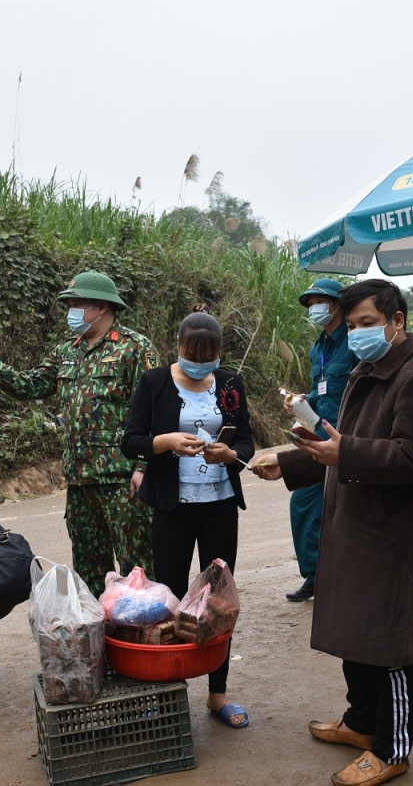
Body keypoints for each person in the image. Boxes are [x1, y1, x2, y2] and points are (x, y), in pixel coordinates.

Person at [252, 279, 413, 785]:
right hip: (352, 525)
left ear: (397, 321)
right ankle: (363, 724)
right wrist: (293, 464)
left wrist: (343, 453)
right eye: (354, 325)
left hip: (391, 535)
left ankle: (393, 749)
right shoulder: (368, 370)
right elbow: (345, 443)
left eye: (368, 323)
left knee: (388, 645)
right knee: (356, 636)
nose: (359, 333)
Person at [0, 272, 158, 596]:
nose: (70, 311)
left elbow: (157, 410)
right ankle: (100, 639)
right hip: (80, 479)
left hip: (122, 480)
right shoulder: (66, 351)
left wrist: (143, 468)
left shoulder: (135, 349)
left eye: (76, 304)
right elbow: (30, 386)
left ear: (101, 307)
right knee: (89, 567)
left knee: (136, 567)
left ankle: (140, 639)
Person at [121, 310, 254, 728]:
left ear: (218, 353)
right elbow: (131, 441)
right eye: (192, 353)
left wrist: (232, 454)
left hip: (220, 505)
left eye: (208, 354)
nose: (200, 362)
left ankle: (218, 694)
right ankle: (167, 693)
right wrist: (164, 442)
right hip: (173, 508)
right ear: (177, 347)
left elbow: (247, 438)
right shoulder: (154, 382)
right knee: (172, 599)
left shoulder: (230, 383)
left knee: (217, 599)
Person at [282, 278, 359, 603]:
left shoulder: (355, 343)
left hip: (349, 440)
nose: (314, 308)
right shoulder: (319, 347)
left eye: (320, 301)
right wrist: (303, 399)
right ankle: (314, 575)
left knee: (346, 509)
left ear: (338, 303)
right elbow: (323, 391)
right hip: (318, 435)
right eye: (310, 303)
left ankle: (346, 576)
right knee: (303, 502)